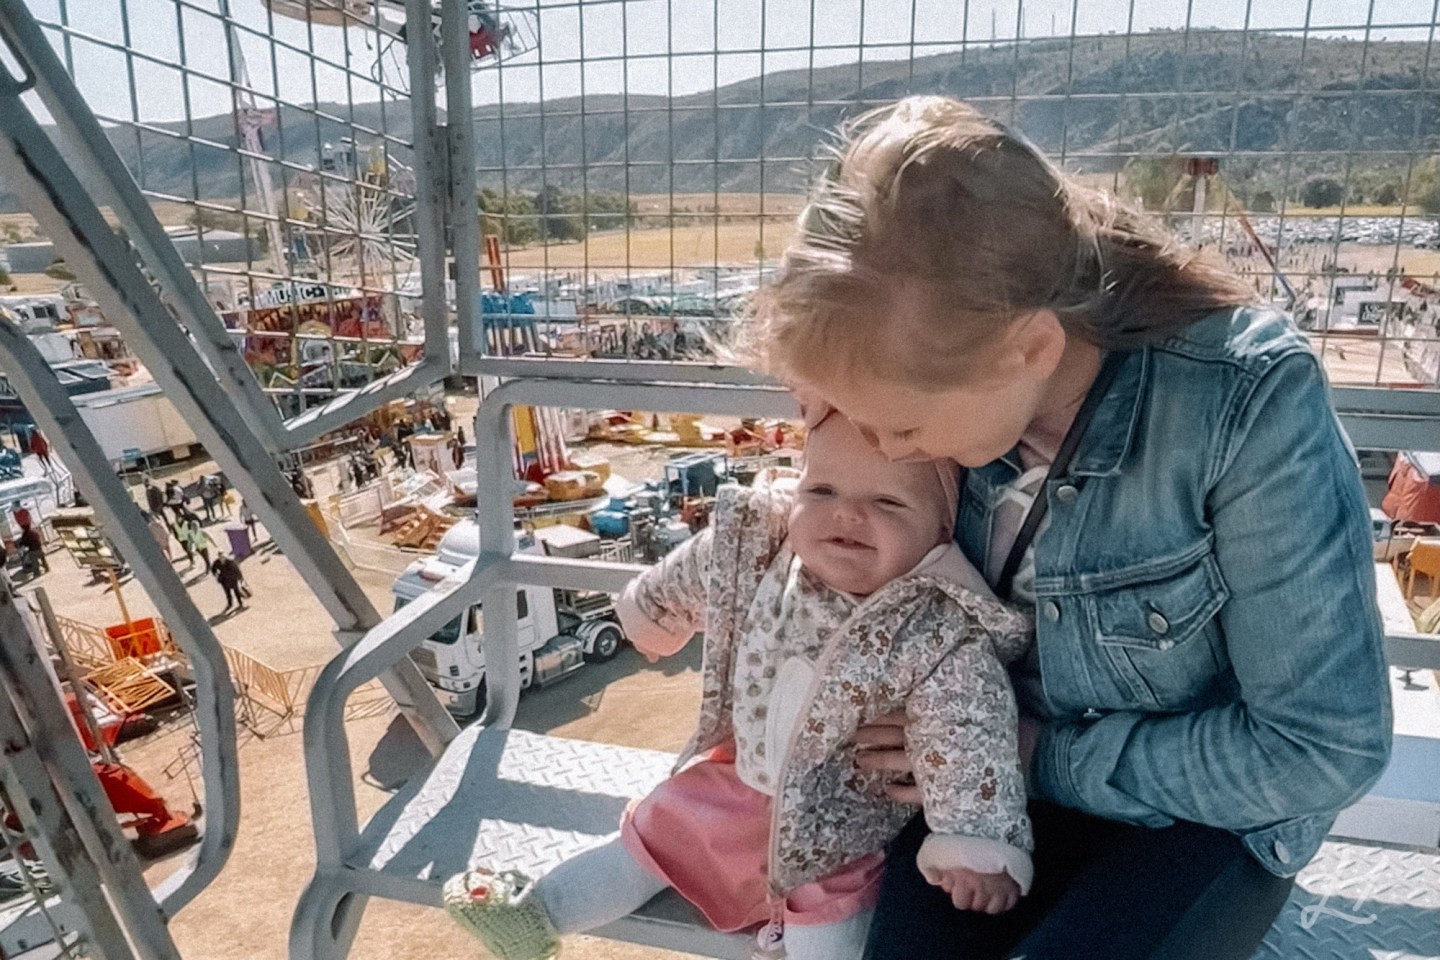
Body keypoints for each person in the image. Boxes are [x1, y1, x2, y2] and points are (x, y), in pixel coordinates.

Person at [746, 96, 1391, 960]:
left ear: (1032, 351)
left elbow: (1320, 750)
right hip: (975, 787)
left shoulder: (1244, 403)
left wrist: (1037, 756)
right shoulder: (942, 357)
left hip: (1197, 815)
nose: (889, 451)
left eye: (903, 427)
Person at [443, 411, 1035, 960]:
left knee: (830, 922)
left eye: (886, 501)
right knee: (650, 836)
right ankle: (538, 913)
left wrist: (974, 842)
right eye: (821, 491)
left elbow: (969, 734)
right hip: (734, 780)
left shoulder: (938, 629)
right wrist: (652, 618)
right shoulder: (759, 549)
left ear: (942, 532)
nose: (847, 514)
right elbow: (700, 567)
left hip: (845, 823)